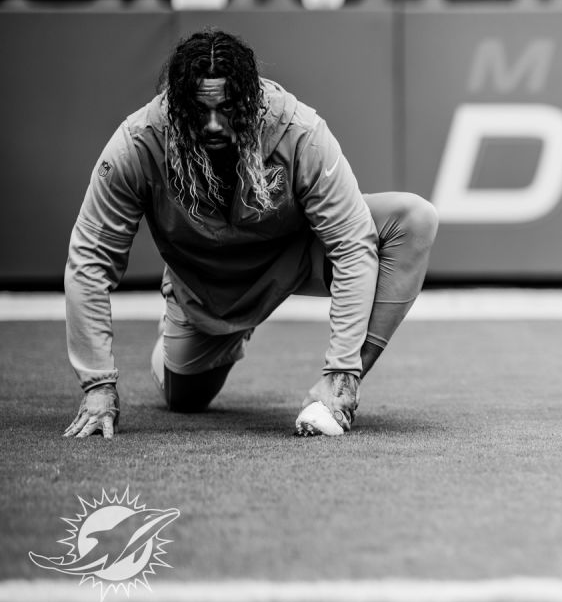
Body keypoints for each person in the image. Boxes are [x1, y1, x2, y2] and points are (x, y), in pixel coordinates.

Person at [61, 28, 438, 439]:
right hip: (208, 295)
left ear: (251, 100)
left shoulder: (299, 130)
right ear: (176, 105)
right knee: (184, 398)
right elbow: (89, 262)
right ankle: (182, 327)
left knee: (414, 219)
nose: (213, 125)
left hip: (294, 258)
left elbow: (351, 244)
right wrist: (98, 384)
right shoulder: (137, 144)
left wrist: (343, 368)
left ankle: (340, 389)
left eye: (226, 109)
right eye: (198, 111)